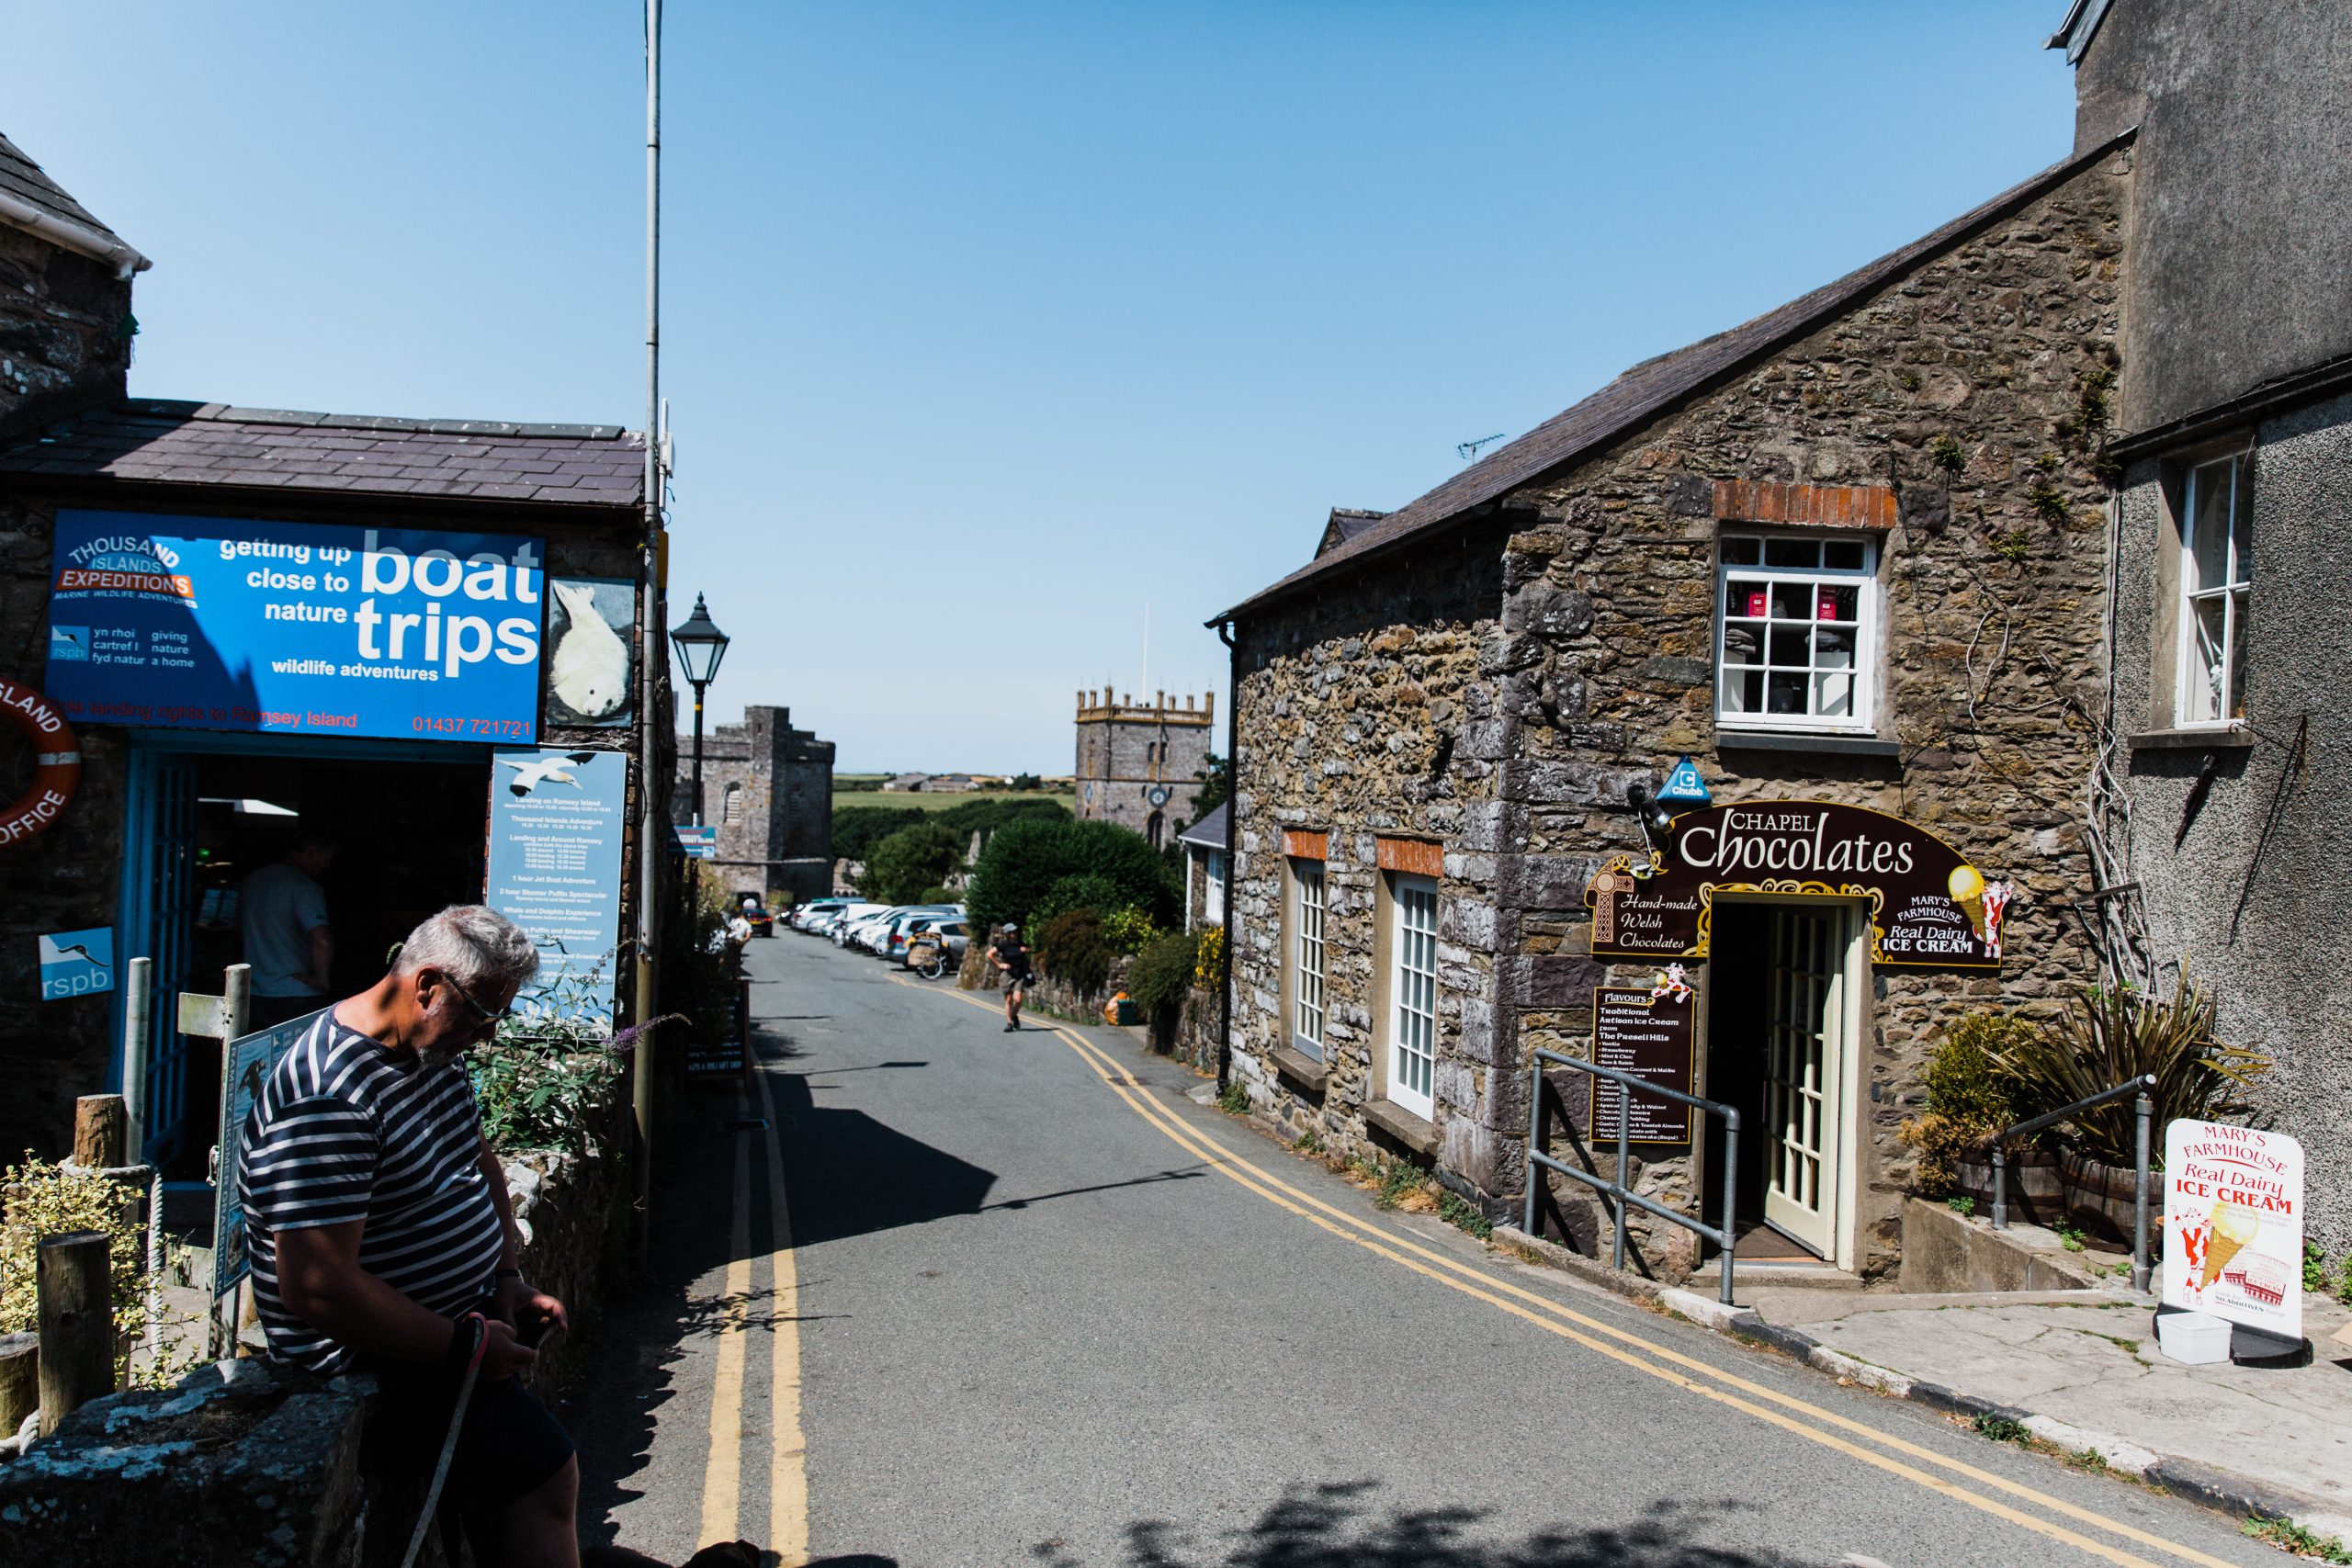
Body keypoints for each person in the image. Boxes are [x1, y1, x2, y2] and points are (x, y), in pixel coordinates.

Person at [239, 905, 579, 1568]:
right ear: (427, 986)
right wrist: (462, 1345)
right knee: (540, 1472)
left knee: (537, 1480)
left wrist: (506, 1277)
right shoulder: (330, 1093)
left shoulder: (423, 1053)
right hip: (379, 1367)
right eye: (480, 1015)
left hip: (449, 1337)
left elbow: (476, 1156)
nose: (483, 1037)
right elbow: (318, 1287)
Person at [240, 829, 338, 1030]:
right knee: (298, 1058)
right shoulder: (305, 886)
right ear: (312, 853)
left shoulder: (253, 880)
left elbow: (238, 931)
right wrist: (321, 978)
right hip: (295, 994)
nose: (327, 866)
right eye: (326, 859)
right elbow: (322, 940)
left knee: (257, 1058)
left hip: (255, 990)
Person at [990, 923, 1031, 1032]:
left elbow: (1029, 950)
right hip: (1007, 975)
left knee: (1017, 1000)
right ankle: (1009, 1024)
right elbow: (989, 954)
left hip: (1019, 975)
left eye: (1016, 932)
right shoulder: (1003, 944)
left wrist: (1026, 950)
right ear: (1008, 934)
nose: (1015, 934)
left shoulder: (1020, 943)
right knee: (1008, 999)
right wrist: (999, 964)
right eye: (1012, 932)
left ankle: (1014, 1016)